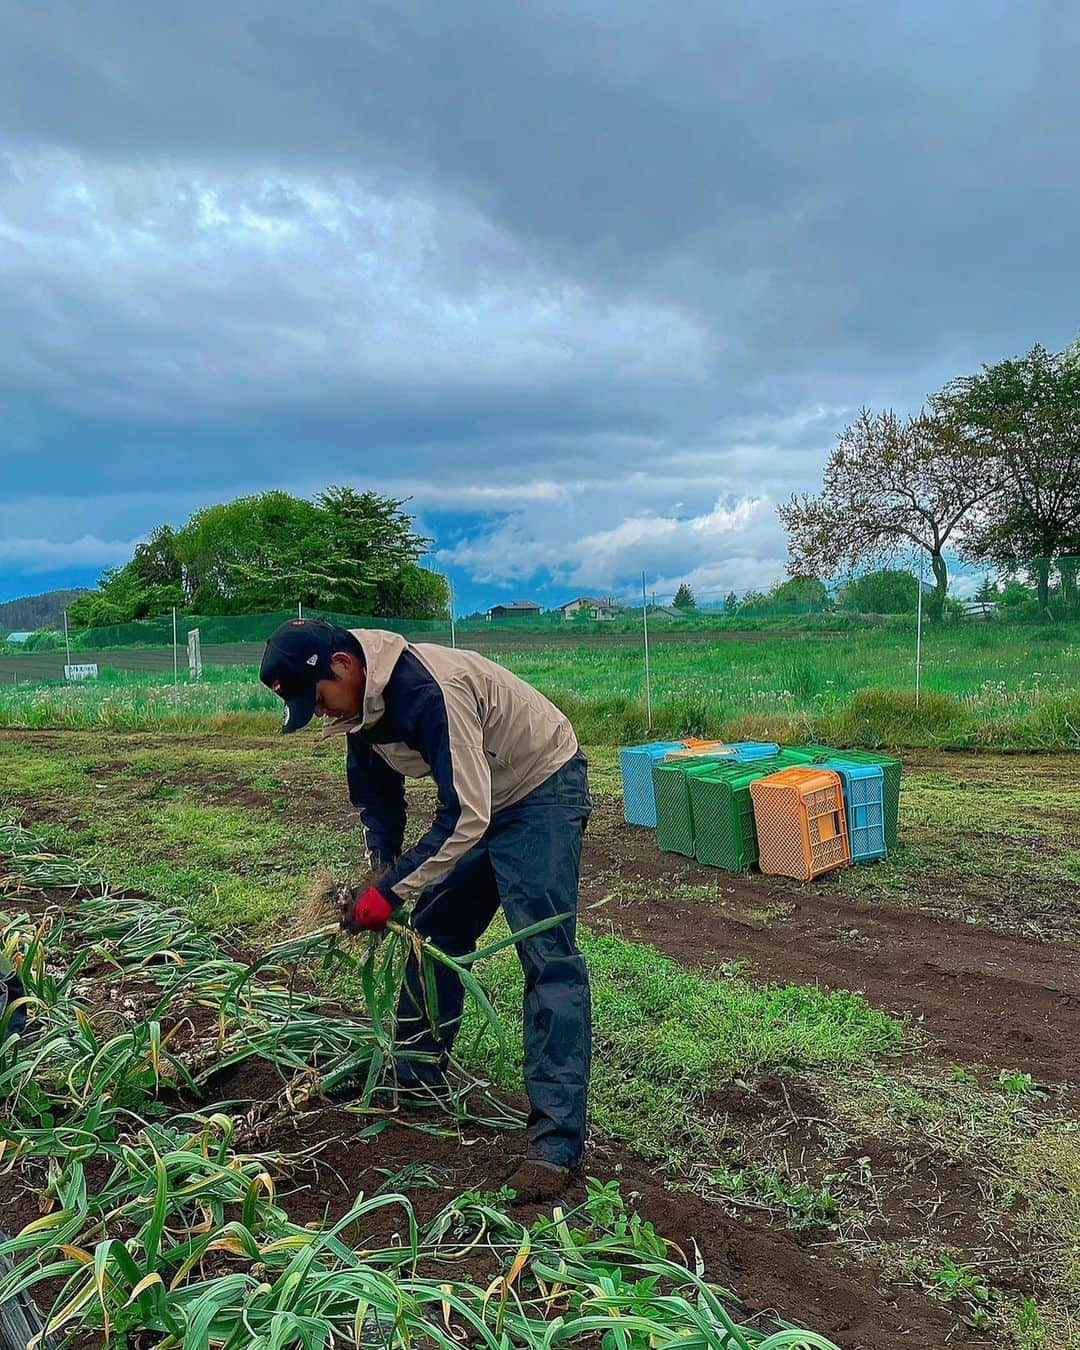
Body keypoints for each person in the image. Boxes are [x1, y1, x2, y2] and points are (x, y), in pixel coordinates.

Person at [260, 618, 592, 1202]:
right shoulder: (359, 711)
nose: (326, 715)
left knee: (546, 952)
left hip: (538, 784)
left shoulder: (427, 689)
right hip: (483, 794)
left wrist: (389, 892)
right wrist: (379, 874)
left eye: (320, 700)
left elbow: (467, 815)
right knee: (435, 930)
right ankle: (415, 1073)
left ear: (342, 665)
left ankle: (555, 1143)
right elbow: (380, 805)